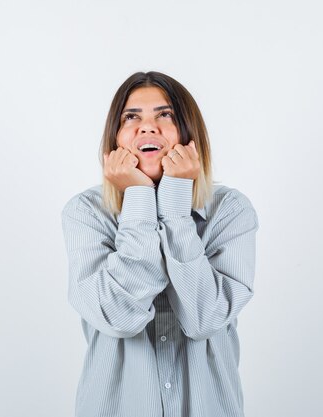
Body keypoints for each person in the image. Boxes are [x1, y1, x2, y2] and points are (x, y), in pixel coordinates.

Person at [60, 71, 260, 417]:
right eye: (131, 117)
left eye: (164, 115)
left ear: (188, 134)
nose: (147, 128)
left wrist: (175, 207)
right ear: (115, 138)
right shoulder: (86, 213)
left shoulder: (230, 211)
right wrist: (138, 198)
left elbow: (205, 318)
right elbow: (118, 316)